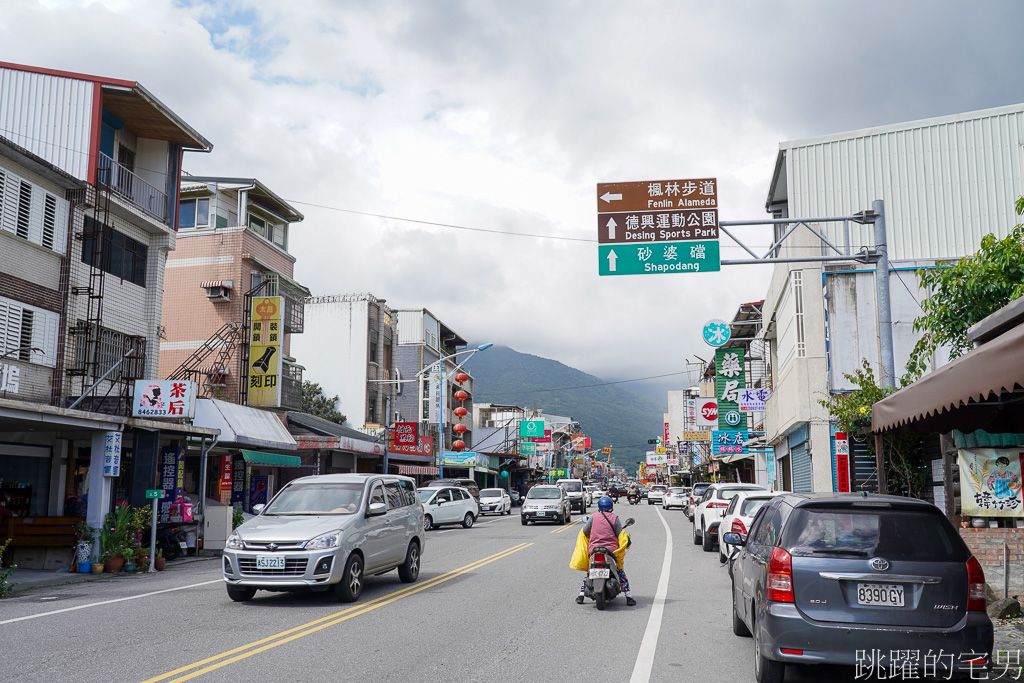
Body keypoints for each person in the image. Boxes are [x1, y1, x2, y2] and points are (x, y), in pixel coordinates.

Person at [576, 495, 635, 606]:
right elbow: (620, 534)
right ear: (611, 507)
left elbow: (584, 532)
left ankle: (581, 595)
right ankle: (628, 596)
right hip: (610, 551)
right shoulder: (614, 518)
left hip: (594, 550)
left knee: (589, 572)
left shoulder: (593, 516)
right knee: (619, 571)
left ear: (599, 507)